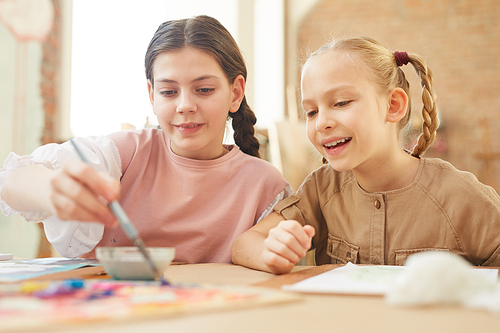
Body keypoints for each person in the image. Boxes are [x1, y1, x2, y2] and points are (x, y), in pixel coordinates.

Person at [0, 15, 291, 264]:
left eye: (203, 90)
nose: (184, 106)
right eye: (169, 92)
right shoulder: (123, 153)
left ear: (236, 93)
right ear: (152, 95)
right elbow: (12, 181)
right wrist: (51, 189)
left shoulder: (265, 186)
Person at [231, 35, 500, 274]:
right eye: (311, 111)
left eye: (341, 103)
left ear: (393, 106)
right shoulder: (322, 188)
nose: (321, 122)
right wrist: (271, 253)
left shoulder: (460, 195)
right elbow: (244, 244)